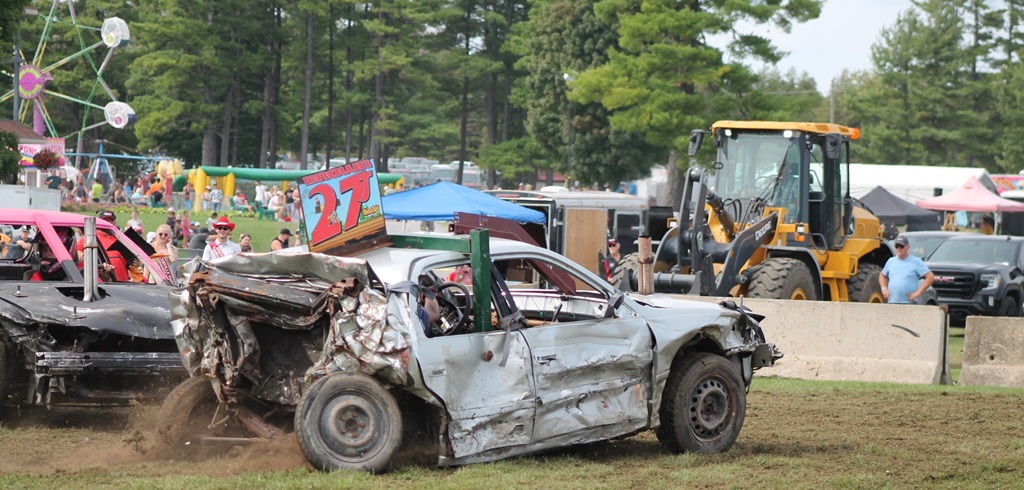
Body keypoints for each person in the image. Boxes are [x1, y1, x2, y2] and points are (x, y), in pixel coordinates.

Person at [880, 235, 935, 304]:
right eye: (897, 246)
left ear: (907, 247)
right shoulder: (891, 261)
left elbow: (930, 277)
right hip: (892, 302)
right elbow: (882, 275)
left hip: (909, 303)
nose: (899, 248)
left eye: (901, 246)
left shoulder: (916, 261)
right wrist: (884, 288)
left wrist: (917, 293)